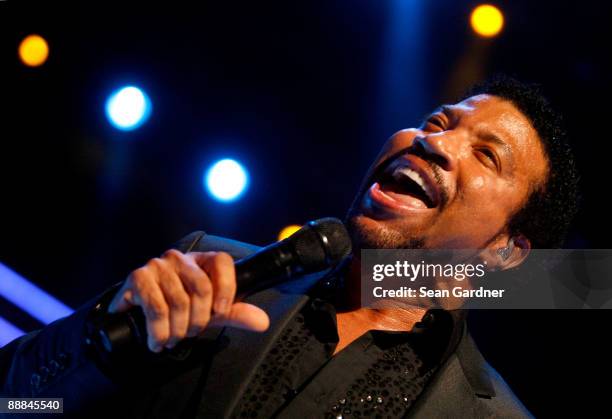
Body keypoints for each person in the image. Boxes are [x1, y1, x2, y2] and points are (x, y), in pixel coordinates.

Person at [0, 76, 579, 418]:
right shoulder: (213, 269)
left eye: (487, 154)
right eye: (436, 121)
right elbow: (18, 400)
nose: (435, 143)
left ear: (506, 251)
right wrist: (103, 342)